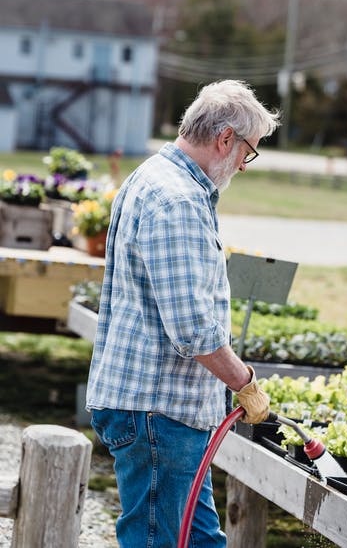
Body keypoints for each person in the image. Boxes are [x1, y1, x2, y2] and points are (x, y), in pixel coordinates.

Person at [86, 79, 281, 548]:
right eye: (248, 152)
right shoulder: (176, 199)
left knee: (201, 541)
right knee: (156, 539)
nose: (244, 166)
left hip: (164, 411)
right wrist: (245, 382)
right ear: (225, 139)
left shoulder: (156, 176)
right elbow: (193, 329)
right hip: (159, 410)